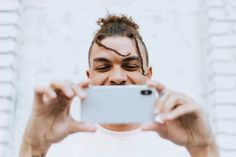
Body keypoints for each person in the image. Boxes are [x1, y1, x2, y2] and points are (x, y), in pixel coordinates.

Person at [19, 15, 219, 157]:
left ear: (148, 75)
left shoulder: (181, 142)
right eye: (104, 67)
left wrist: (204, 149)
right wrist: (32, 148)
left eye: (130, 65)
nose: (117, 77)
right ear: (90, 76)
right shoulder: (58, 144)